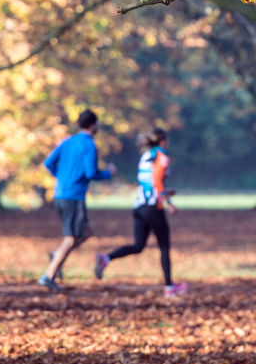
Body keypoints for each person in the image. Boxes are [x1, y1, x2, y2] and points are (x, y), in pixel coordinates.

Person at [94, 127, 188, 297]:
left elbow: (148, 182)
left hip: (139, 206)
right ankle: (169, 287)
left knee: (138, 246)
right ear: (163, 141)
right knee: (164, 246)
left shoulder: (145, 156)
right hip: (153, 207)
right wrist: (169, 202)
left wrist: (165, 192)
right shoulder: (162, 157)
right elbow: (157, 182)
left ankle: (106, 259)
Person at [38, 109, 116, 292]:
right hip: (73, 197)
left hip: (60, 195)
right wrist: (108, 173)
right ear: (93, 124)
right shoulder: (89, 145)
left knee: (87, 231)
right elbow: (90, 173)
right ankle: (48, 276)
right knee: (71, 239)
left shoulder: (68, 141)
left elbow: (48, 163)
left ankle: (57, 255)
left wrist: (62, 178)